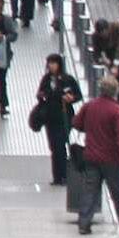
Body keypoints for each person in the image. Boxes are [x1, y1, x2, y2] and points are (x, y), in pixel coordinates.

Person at [73, 75, 119, 234]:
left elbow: (76, 123)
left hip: (91, 156)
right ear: (115, 91)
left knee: (90, 190)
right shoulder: (117, 110)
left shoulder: (90, 106)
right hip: (111, 159)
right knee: (117, 192)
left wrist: (89, 128)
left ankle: (84, 222)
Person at [32, 52, 83, 188]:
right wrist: (41, 95)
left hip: (64, 117)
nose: (51, 66)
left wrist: (71, 98)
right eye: (49, 63)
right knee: (54, 146)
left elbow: (78, 95)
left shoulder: (67, 79)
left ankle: (64, 175)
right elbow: (40, 93)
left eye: (54, 63)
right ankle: (57, 176)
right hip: (50, 117)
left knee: (60, 145)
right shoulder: (46, 79)